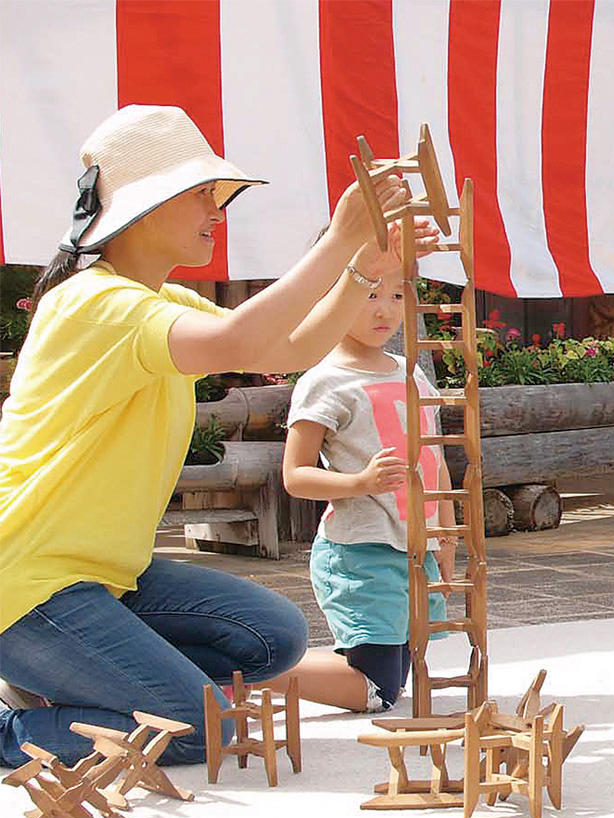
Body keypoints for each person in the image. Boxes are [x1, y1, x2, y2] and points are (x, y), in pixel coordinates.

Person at [0, 104, 434, 766]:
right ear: (144, 207)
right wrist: (341, 243)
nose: (218, 210)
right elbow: (242, 339)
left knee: (273, 637)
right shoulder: (93, 303)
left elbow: (289, 347)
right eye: (202, 193)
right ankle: (15, 725)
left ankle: (64, 680)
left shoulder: (156, 301)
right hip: (27, 584)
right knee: (199, 728)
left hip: (102, 577)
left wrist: (361, 269)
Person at [259, 269, 454, 713]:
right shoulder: (323, 381)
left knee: (395, 676)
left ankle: (261, 668)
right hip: (361, 550)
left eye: (397, 295)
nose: (385, 310)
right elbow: (295, 475)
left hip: (414, 549)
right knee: (377, 690)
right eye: (369, 295)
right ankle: (245, 669)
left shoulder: (412, 373)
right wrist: (359, 483)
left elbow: (435, 459)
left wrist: (446, 534)